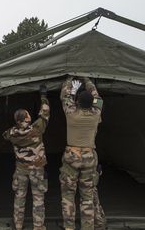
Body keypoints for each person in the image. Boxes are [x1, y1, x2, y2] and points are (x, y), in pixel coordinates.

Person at [59, 76, 104, 230]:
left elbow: (66, 97)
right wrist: (88, 81)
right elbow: (97, 97)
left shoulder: (71, 112)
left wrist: (70, 84)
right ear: (92, 103)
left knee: (68, 195)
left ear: (77, 102)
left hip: (72, 156)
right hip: (89, 157)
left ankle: (69, 227)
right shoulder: (96, 113)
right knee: (87, 197)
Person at [3, 85, 50, 230]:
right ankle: (38, 226)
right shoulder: (37, 129)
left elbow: (5, 135)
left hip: (21, 170)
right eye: (28, 114)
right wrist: (43, 96)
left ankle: (18, 225)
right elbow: (45, 112)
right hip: (37, 170)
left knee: (19, 197)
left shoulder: (11, 133)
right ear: (28, 118)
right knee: (38, 199)